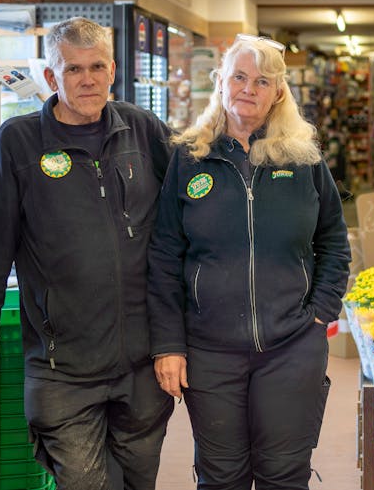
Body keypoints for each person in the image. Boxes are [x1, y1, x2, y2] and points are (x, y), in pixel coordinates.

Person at [0, 17, 175, 490]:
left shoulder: (144, 131)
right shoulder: (19, 144)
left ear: (112, 70)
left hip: (142, 365)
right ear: (51, 77)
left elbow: (185, 226)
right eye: (73, 69)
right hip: (62, 370)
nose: (87, 79)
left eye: (96, 67)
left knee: (138, 481)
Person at [147, 34, 351, 490]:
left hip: (292, 347)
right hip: (210, 351)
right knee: (221, 477)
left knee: (284, 475)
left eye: (262, 80)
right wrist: (168, 345)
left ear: (278, 92)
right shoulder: (189, 158)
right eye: (239, 76)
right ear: (221, 81)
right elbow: (163, 257)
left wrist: (320, 314)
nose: (248, 88)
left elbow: (334, 239)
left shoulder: (303, 158)